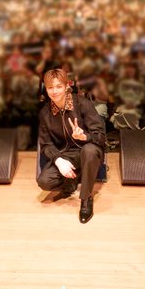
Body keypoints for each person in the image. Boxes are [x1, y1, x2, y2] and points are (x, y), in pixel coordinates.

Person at [36, 68, 106, 224]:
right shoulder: (45, 113)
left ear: (67, 86)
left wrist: (84, 136)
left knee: (89, 150)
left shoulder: (83, 104)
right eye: (50, 87)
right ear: (45, 89)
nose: (54, 91)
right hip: (66, 154)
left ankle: (86, 198)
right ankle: (72, 181)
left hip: (89, 150)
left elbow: (101, 137)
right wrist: (59, 160)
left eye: (58, 86)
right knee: (44, 181)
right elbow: (46, 144)